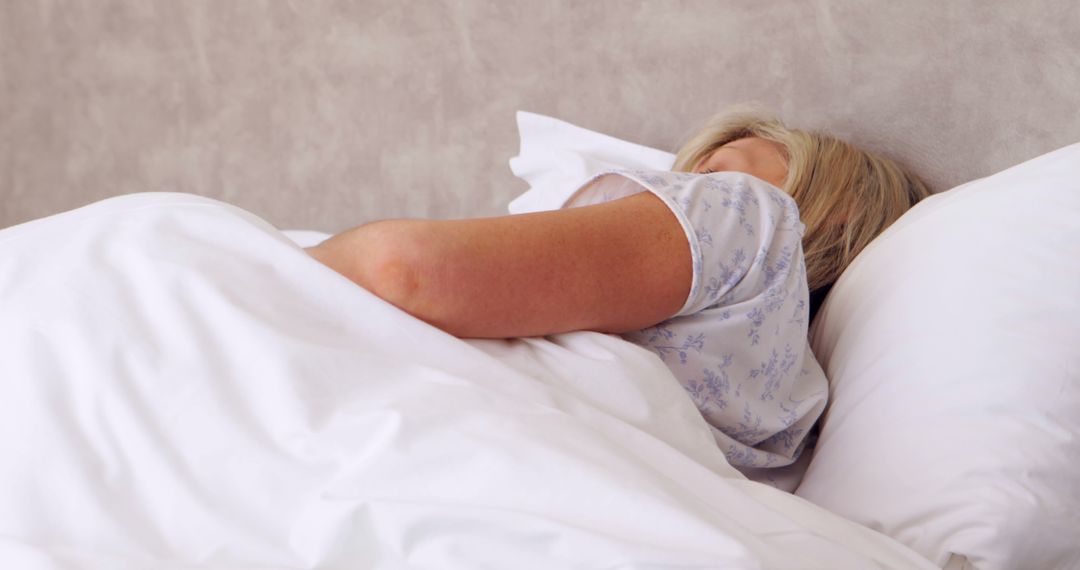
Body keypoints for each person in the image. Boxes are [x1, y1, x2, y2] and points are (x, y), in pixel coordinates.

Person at [306, 108, 930, 480]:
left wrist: (247, 262)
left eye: (709, 173)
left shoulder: (751, 213)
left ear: (843, 207)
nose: (679, 189)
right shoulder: (787, 412)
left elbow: (402, 271)